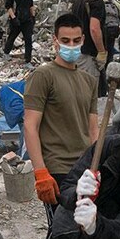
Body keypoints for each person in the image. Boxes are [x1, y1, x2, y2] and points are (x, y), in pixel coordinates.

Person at [23, 13, 98, 223]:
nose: (71, 45)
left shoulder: (89, 80)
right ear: (55, 41)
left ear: (83, 39)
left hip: (85, 169)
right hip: (57, 171)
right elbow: (30, 126)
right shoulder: (43, 76)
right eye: (65, 41)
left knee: (88, 231)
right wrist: (40, 172)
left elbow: (93, 129)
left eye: (76, 40)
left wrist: (98, 164)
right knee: (62, 234)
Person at [71, 0, 114, 93]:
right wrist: (101, 52)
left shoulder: (79, 0)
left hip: (76, 51)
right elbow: (94, 28)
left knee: (76, 89)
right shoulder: (97, 1)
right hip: (88, 54)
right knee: (88, 92)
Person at [4, 0, 36, 64]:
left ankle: (27, 61)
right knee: (12, 37)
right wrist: (13, 18)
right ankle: (6, 53)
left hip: (27, 19)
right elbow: (8, 6)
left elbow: (31, 5)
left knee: (28, 39)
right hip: (16, 18)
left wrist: (33, 16)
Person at [0, 78, 27, 156]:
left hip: (12, 97)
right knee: (27, 125)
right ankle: (23, 156)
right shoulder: (17, 101)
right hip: (4, 99)